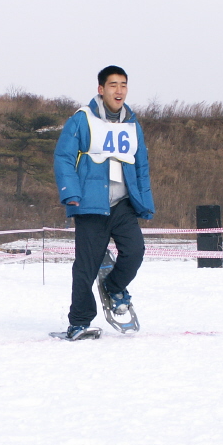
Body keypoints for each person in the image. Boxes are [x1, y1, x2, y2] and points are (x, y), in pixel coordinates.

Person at [53, 65, 155, 340]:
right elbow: (63, 157)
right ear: (101, 89)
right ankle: (79, 321)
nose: (119, 90)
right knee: (86, 266)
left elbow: (141, 164)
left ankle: (114, 286)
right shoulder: (81, 119)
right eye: (113, 85)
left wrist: (144, 201)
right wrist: (70, 192)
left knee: (135, 251)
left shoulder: (132, 124)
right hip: (90, 204)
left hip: (122, 203)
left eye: (123, 85)